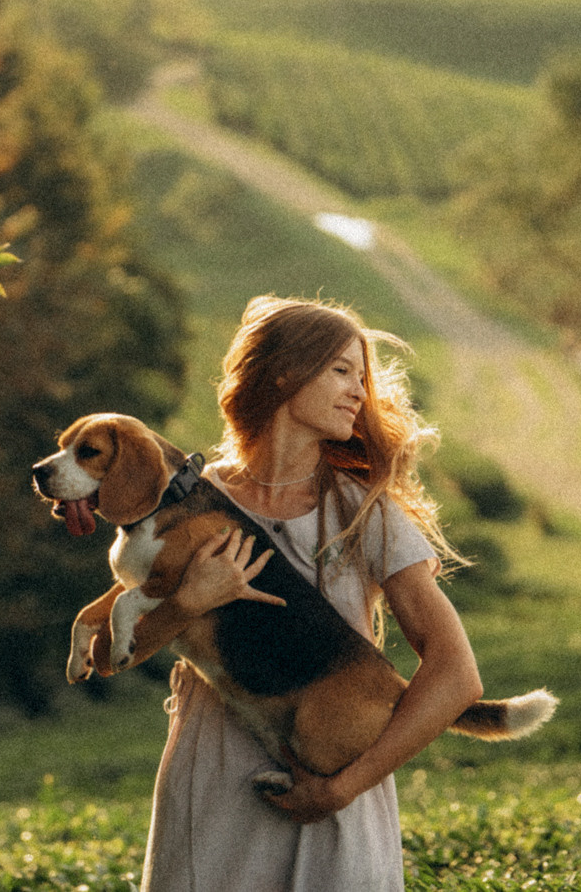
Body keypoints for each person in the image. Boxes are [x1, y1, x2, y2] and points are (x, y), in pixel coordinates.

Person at [139, 295, 483, 892]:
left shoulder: (366, 513)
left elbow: (457, 676)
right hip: (211, 785)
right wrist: (188, 601)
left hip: (335, 796)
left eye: (363, 376)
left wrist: (339, 790)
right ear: (284, 372)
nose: (359, 392)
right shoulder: (194, 500)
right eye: (341, 370)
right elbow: (113, 652)